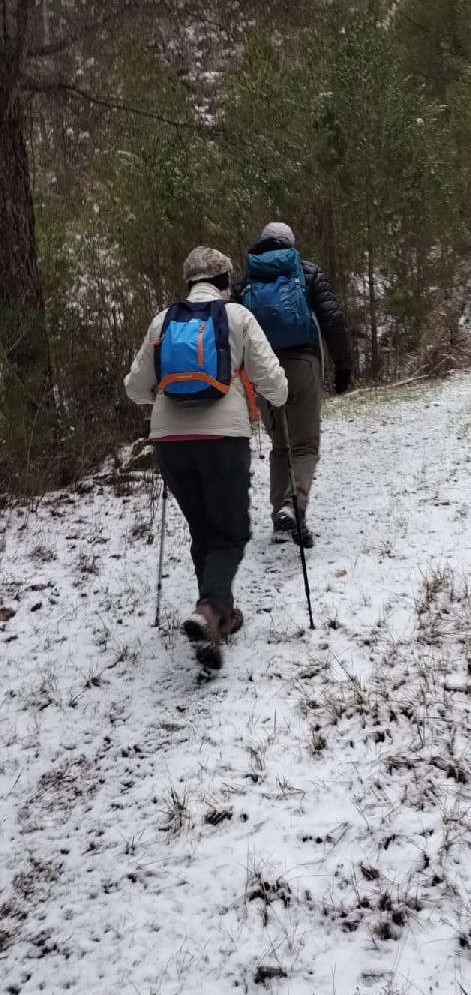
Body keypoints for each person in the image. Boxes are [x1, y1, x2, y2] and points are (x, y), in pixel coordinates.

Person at [124, 246, 288, 670]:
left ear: (189, 282)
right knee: (230, 533)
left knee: (204, 529)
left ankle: (217, 622)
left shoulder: (163, 320)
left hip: (169, 440)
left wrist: (163, 401)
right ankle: (211, 610)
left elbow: (135, 387)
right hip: (222, 437)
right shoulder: (237, 316)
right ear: (225, 281)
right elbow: (272, 381)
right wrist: (280, 396)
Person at [233, 221, 351, 548]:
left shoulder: (245, 280)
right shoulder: (307, 272)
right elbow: (332, 318)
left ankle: (280, 519)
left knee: (281, 446)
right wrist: (343, 363)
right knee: (306, 445)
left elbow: (231, 330)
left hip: (262, 368)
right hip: (302, 364)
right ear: (290, 243)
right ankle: (293, 507)